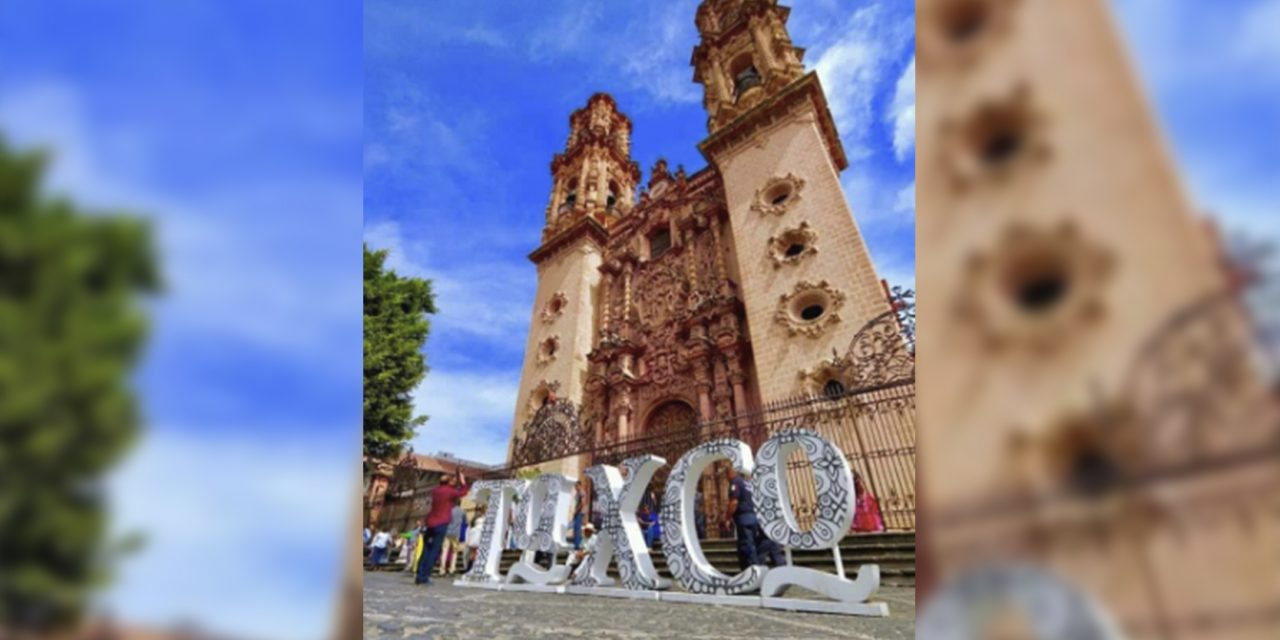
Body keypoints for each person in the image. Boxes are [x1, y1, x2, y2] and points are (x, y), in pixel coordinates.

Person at [416, 468, 469, 585]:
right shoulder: (450, 492)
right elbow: (463, 492)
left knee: (426, 550)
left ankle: (419, 575)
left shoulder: (436, 491)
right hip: (441, 524)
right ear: (449, 482)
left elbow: (454, 491)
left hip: (430, 522)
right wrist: (462, 480)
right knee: (434, 551)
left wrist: (455, 479)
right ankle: (424, 577)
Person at [724, 466, 783, 570]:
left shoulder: (736, 482)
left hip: (744, 519)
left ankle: (753, 571)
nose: (726, 476)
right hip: (754, 518)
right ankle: (759, 566)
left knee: (747, 546)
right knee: (754, 545)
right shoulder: (747, 483)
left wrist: (727, 518)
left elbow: (734, 502)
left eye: (726, 473)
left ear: (732, 471)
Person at [439, 504, 466, 576]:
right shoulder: (462, 511)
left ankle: (442, 570)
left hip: (447, 532)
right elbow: (466, 522)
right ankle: (452, 569)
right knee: (454, 552)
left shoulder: (448, 510)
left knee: (444, 551)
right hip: (456, 533)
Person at [571, 479, 587, 550]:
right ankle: (578, 544)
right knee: (576, 528)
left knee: (577, 529)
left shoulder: (582, 492)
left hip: (580, 513)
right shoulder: (578, 493)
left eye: (576, 486)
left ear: (580, 486)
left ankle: (577, 546)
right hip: (577, 512)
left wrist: (576, 511)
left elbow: (582, 503)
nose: (575, 488)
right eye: (575, 486)